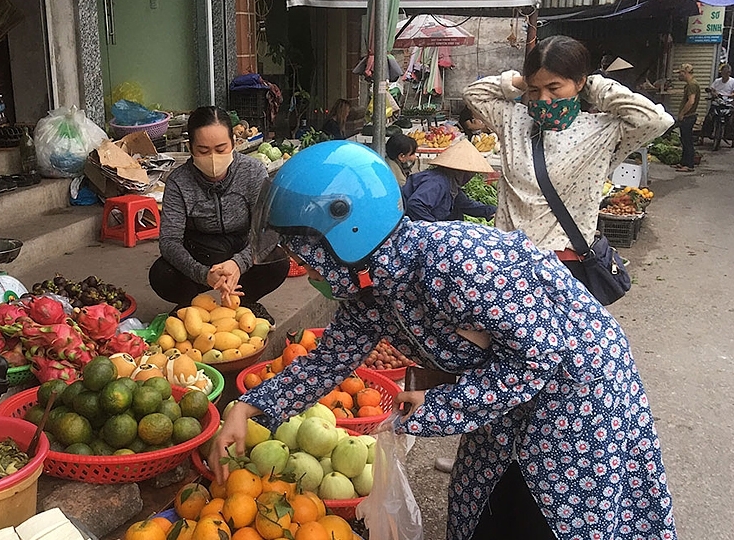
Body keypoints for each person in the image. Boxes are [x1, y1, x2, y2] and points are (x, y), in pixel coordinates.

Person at [212, 140, 677, 540]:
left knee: (557, 512)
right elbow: (329, 360)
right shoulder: (368, 286)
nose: (303, 268)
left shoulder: (449, 263)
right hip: (502, 392)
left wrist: (435, 407)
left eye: (302, 253)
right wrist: (248, 406)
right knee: (484, 501)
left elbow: (539, 358)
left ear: (345, 233)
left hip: (577, 390)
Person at [462, 36, 673, 284]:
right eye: (535, 90)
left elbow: (656, 120)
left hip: (566, 265)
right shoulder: (513, 120)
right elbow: (474, 94)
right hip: (509, 261)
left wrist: (594, 86)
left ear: (578, 83)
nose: (543, 99)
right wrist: (521, 81)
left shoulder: (604, 131)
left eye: (554, 88)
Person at [148, 106, 287, 321]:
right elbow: (169, 241)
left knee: (277, 261)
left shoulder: (252, 172)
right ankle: (191, 305)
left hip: (242, 247)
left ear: (233, 143)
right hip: (200, 252)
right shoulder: (178, 182)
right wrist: (204, 274)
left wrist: (238, 263)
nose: (213, 157)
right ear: (191, 148)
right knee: (162, 275)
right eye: (203, 151)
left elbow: (268, 231)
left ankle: (247, 303)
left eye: (221, 149)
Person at [401, 139, 496, 222]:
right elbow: (415, 205)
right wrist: (434, 227)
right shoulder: (437, 182)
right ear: (461, 172)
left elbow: (466, 204)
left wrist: (491, 211)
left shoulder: (451, 184)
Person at [674, 63, 699, 172]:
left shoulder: (691, 84)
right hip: (688, 116)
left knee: (687, 141)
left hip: (688, 117)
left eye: (680, 73)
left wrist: (682, 113)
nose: (679, 75)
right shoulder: (691, 84)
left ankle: (689, 165)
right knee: (684, 140)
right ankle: (683, 162)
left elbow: (691, 101)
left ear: (685, 73)